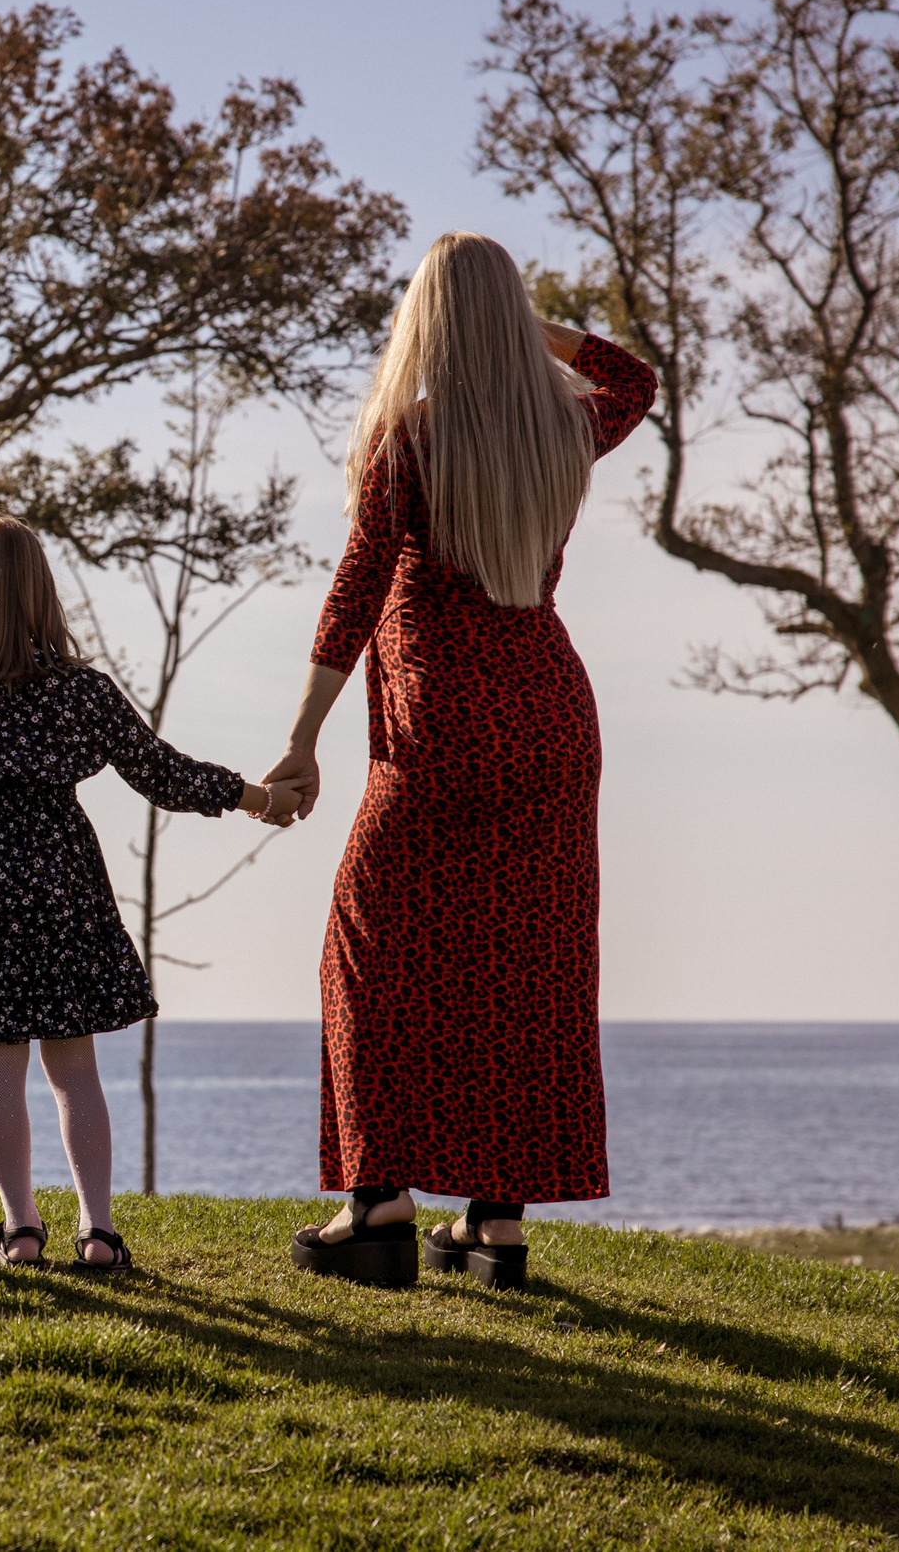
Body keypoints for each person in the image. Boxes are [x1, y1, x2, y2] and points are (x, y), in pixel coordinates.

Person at [259, 231, 658, 1291]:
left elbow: (353, 592)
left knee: (368, 950)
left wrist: (299, 741)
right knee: (529, 964)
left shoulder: (408, 438)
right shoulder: (565, 422)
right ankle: (496, 1224)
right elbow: (634, 375)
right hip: (552, 719)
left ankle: (379, 1204)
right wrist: (533, 332)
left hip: (441, 721)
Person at [0, 511, 292, 1270]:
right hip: (64, 877)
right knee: (75, 1069)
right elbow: (165, 776)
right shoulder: (84, 694)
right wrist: (255, 798)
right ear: (42, 594)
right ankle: (99, 1231)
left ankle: (21, 1230)